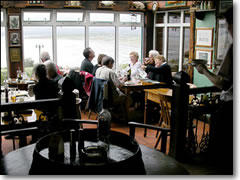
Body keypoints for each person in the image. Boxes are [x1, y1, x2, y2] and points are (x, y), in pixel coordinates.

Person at [196, 7, 233, 174]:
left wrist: (203, 70)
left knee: (223, 154)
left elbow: (224, 84)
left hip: (231, 107)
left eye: (227, 25)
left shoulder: (234, 48)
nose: (227, 29)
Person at [95, 56, 127, 121]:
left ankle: (114, 111)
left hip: (99, 95)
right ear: (110, 63)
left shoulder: (98, 70)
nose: (112, 66)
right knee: (127, 96)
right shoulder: (110, 71)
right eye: (112, 64)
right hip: (110, 97)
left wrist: (117, 79)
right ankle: (125, 116)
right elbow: (119, 85)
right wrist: (124, 80)